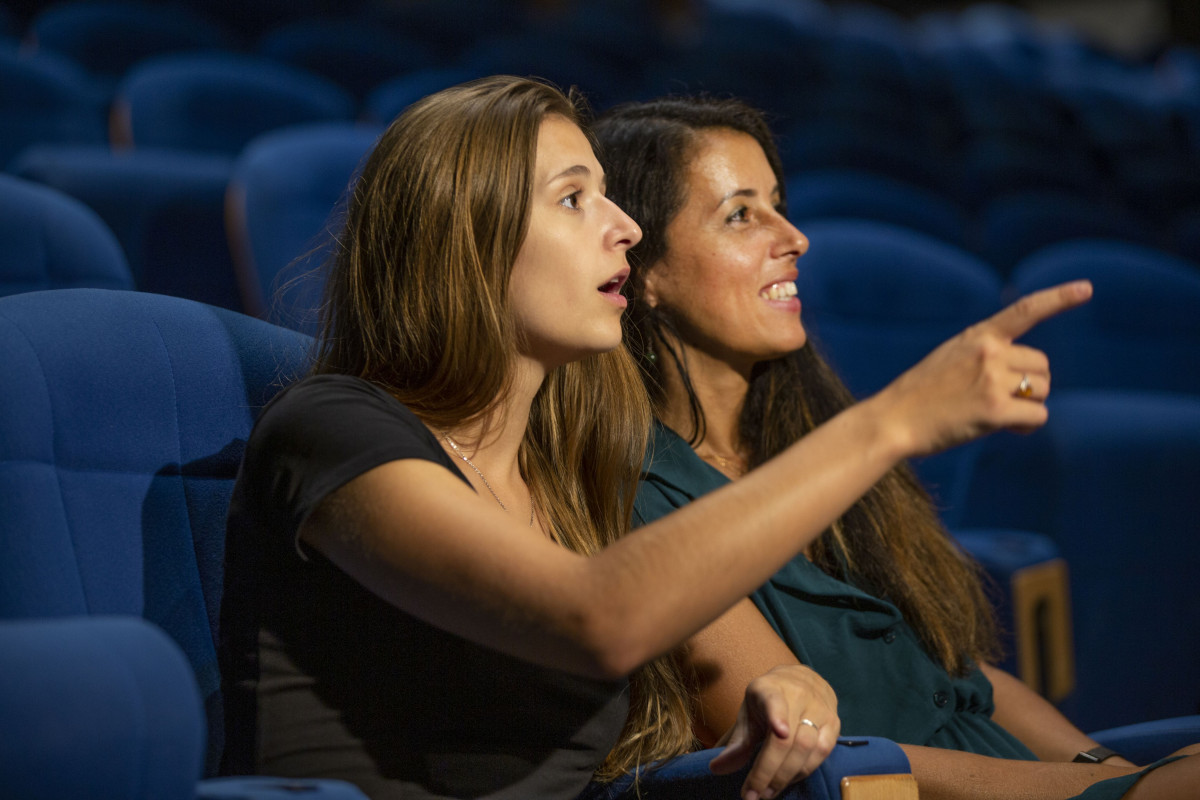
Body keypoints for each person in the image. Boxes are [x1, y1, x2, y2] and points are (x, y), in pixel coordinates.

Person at [218, 75, 1092, 800]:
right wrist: (893, 421)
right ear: (468, 240)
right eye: (573, 199)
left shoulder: (576, 480)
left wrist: (789, 684)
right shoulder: (333, 427)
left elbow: (723, 666)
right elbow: (597, 617)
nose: (625, 226)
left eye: (609, 194)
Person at [592, 95, 1199, 800]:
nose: (793, 236)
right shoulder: (638, 495)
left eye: (780, 204)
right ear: (648, 272)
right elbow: (825, 763)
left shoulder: (809, 440)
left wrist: (1108, 770)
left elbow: (958, 676)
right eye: (740, 215)